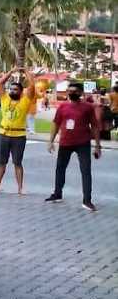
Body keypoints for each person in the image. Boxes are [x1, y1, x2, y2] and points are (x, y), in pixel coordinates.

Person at [46, 82, 101, 211]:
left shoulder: (87, 107)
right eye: (69, 91)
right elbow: (56, 123)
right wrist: (51, 141)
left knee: (85, 170)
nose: (71, 93)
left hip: (83, 143)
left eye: (75, 91)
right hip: (65, 143)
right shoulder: (63, 106)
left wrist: (97, 145)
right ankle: (57, 194)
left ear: (81, 93)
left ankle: (87, 200)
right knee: (60, 168)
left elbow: (94, 126)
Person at [0, 67, 36, 195]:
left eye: (15, 89)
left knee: (17, 163)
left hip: (19, 136)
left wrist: (25, 71)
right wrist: (11, 72)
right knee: (1, 162)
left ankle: (20, 188)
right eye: (11, 89)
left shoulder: (25, 101)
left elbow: (32, 85)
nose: (12, 91)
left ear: (21, 92)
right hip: (3, 134)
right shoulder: (5, 98)